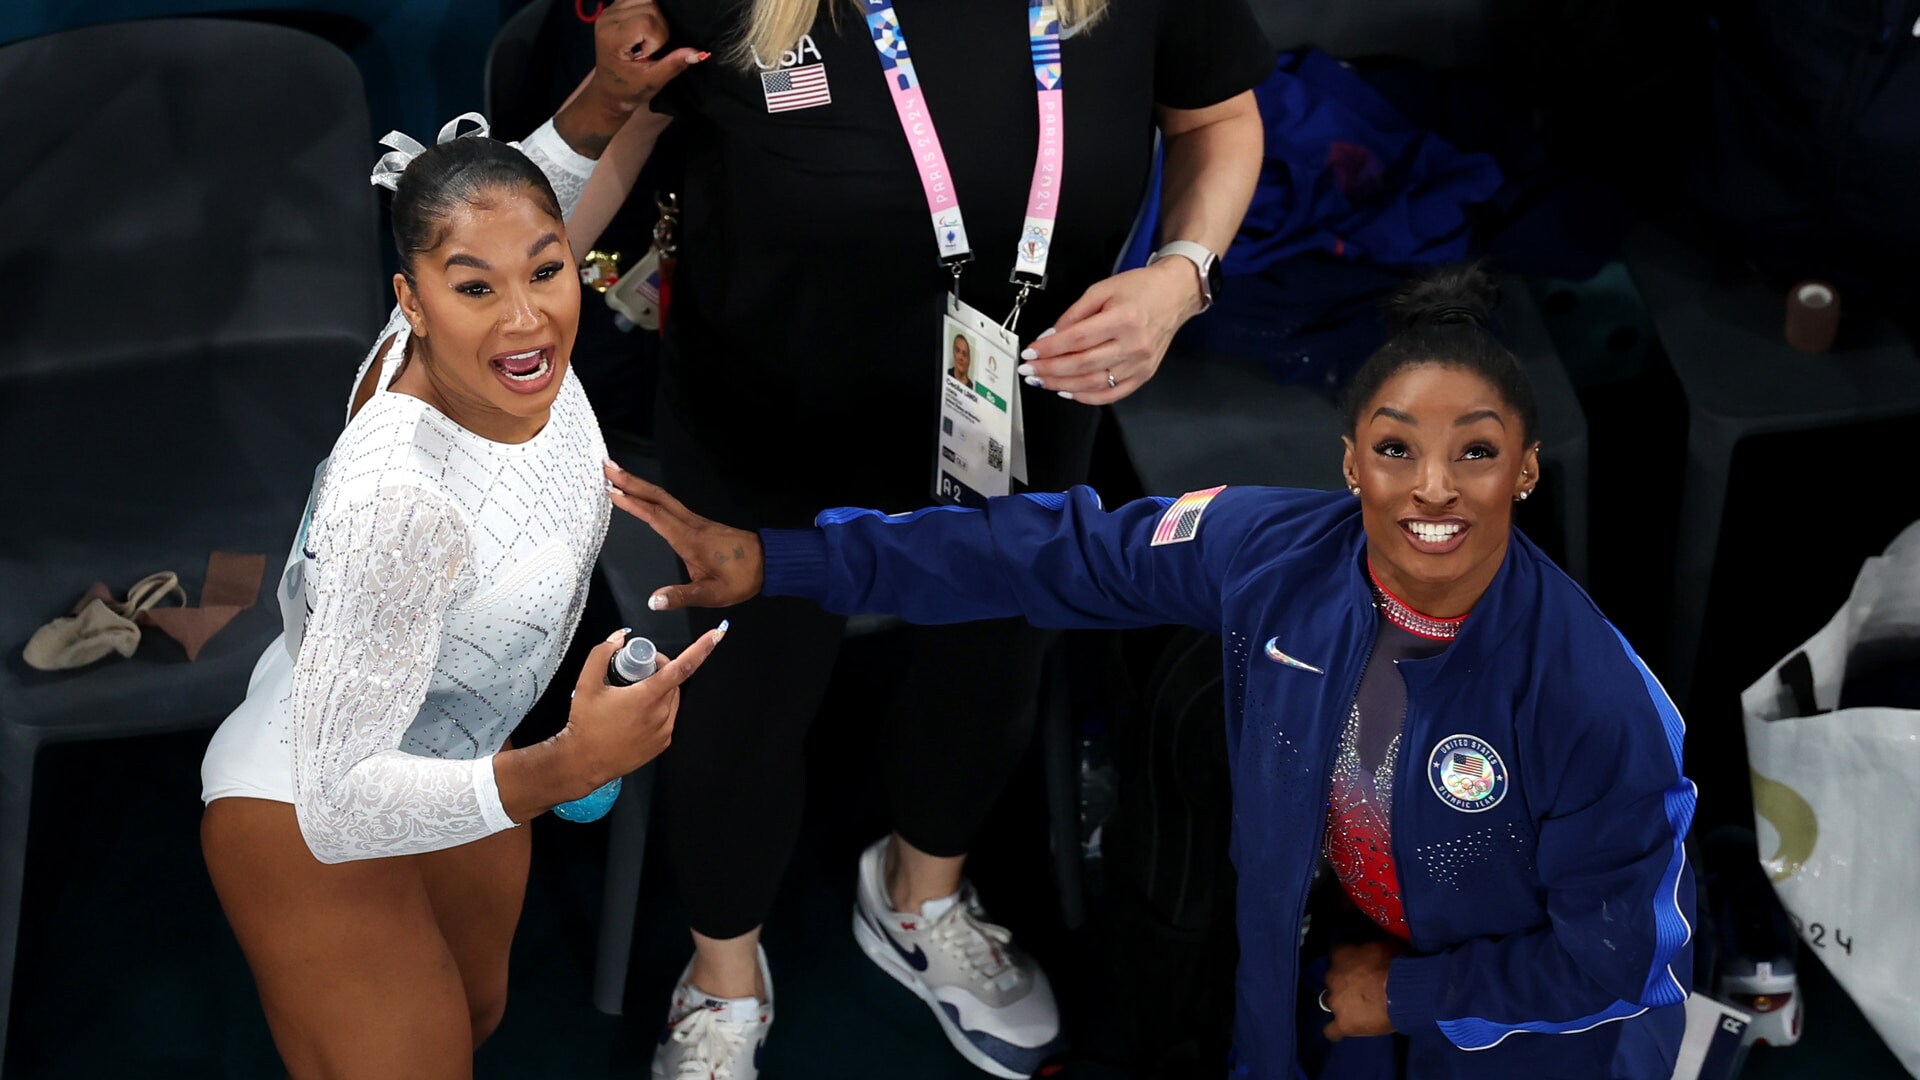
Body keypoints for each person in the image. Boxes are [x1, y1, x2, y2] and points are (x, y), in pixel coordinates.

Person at [606, 266, 1698, 1080]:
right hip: (1314, 992)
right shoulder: (1271, 553)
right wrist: (785, 559)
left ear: (1526, 468)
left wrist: (1407, 993)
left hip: (1522, 1039)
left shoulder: (1597, 701)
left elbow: (1614, 962)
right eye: (1398, 448)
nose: (1434, 490)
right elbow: (1050, 552)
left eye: (1476, 451)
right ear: (1351, 461)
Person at [566, 1, 1269, 1075]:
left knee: (989, 666)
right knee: (743, 702)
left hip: (1019, 401)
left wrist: (1181, 276)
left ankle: (919, 899)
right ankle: (721, 977)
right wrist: (513, 259)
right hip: (768, 419)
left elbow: (1217, 117)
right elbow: (604, 155)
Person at [195, 12, 722, 1076]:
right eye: (475, 288)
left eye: (547, 271)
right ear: (413, 305)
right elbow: (345, 800)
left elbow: (517, 191)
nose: (525, 320)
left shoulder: (504, 326)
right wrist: (568, 762)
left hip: (461, 750)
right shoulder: (401, 500)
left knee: (472, 1018)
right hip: (310, 800)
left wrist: (612, 96)